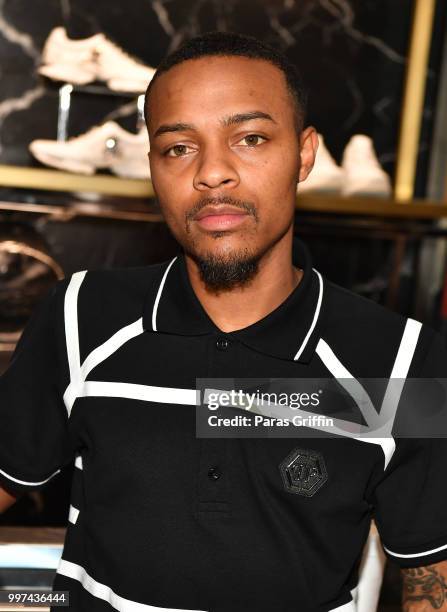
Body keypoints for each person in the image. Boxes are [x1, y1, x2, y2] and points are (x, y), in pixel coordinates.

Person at [1, 31, 447, 612]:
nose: (213, 172)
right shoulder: (80, 314)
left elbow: (431, 582)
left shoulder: (403, 360)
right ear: (151, 167)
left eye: (251, 138)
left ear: (305, 154)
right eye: (178, 147)